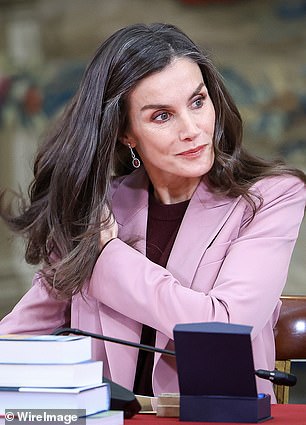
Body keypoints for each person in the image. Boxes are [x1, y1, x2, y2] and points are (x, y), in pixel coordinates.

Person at [0, 23, 305, 403]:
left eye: (198, 102)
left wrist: (109, 258)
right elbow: (18, 337)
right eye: (162, 116)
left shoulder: (272, 196)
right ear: (126, 133)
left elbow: (226, 327)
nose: (193, 129)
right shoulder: (95, 209)